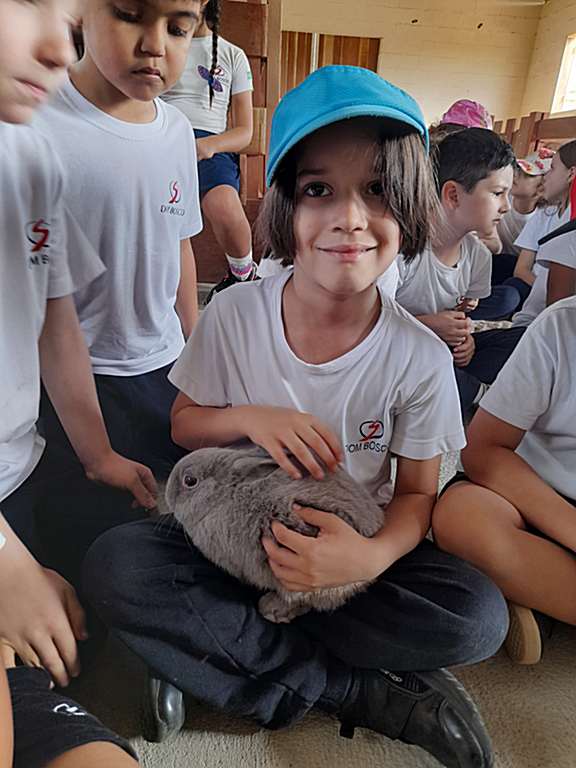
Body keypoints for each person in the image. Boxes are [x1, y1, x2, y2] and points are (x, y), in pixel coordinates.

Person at [84, 66, 508, 767]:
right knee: (118, 564)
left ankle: (206, 654)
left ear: (411, 204)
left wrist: (368, 555)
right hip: (230, 540)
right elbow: (185, 424)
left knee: (475, 616)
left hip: (343, 559)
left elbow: (416, 496)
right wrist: (252, 418)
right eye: (318, 190)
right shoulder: (235, 312)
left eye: (378, 190)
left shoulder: (419, 356)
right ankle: (355, 692)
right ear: (285, 205)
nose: (349, 218)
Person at [0, 0, 149, 763]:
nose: (62, 49)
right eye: (31, 4)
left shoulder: (30, 152)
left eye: (70, 18)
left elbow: (55, 320)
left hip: (18, 469)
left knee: (125, 567)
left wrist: (98, 455)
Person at [35, 0, 205, 584]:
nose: (155, 44)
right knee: (84, 540)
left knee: (174, 521)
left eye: (178, 28)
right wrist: (96, 452)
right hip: (72, 382)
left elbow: (180, 246)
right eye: (131, 14)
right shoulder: (35, 121)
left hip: (163, 369)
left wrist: (198, 352)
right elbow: (47, 316)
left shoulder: (176, 130)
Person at [433, 296, 576, 666]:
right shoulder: (562, 324)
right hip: (530, 493)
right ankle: (542, 592)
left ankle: (540, 598)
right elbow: (483, 451)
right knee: (461, 518)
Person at [394, 128, 525, 414]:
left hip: (441, 350)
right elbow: (366, 326)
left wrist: (465, 340)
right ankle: (478, 396)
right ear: (453, 194)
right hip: (400, 350)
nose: (506, 207)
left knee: (525, 339)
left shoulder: (477, 255)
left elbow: (459, 314)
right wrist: (428, 326)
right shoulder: (401, 250)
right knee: (429, 363)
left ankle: (458, 391)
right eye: (498, 193)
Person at [163, 0, 256, 297]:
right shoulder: (162, 44)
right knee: (168, 226)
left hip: (210, 145)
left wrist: (206, 146)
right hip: (162, 140)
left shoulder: (233, 55)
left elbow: (245, 132)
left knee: (223, 205)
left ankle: (242, 274)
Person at [511, 140, 576, 318]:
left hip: (545, 319)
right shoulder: (547, 213)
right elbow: (521, 269)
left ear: (571, 174)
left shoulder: (570, 230)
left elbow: (555, 309)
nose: (545, 177)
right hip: (535, 310)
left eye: (552, 168)